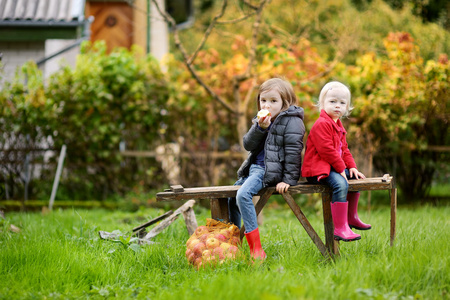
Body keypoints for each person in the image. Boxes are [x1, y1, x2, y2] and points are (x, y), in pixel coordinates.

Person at [228, 77, 305, 260]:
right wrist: (260, 128)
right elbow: (247, 144)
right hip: (254, 168)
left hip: (268, 171)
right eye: (263, 100)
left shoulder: (292, 122)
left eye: (273, 101)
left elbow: (294, 153)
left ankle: (257, 250)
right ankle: (232, 244)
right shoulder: (261, 119)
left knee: (243, 195)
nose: (267, 105)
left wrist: (288, 180)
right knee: (231, 197)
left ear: (285, 103)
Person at [302, 81, 371, 242]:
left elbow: (344, 150)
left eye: (342, 103)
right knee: (341, 183)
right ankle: (339, 228)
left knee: (355, 177)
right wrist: (341, 169)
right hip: (318, 170)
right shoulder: (321, 124)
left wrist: (351, 167)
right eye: (332, 102)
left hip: (331, 168)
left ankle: (351, 218)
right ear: (322, 104)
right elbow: (327, 150)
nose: (337, 106)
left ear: (347, 107)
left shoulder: (338, 125)